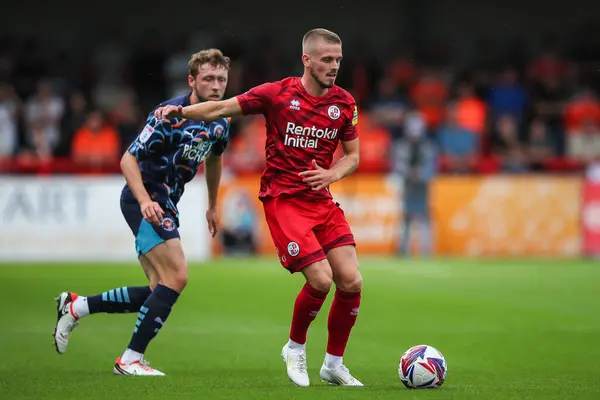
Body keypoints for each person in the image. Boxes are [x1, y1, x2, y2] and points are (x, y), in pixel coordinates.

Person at [155, 28, 363, 387]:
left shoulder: (344, 103)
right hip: (284, 200)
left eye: (338, 60)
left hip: (321, 200)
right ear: (307, 60)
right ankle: (295, 348)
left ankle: (333, 364)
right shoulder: (277, 93)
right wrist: (182, 112)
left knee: (351, 280)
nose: (333, 67)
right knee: (321, 279)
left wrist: (331, 173)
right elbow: (221, 107)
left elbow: (354, 156)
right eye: (327, 60)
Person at [53, 49, 232, 376]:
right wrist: (145, 201)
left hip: (165, 202)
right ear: (192, 81)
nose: (216, 85)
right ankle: (130, 359)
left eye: (221, 79)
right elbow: (127, 159)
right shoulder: (169, 115)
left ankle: (77, 306)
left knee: (157, 290)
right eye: (208, 78)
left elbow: (215, 159)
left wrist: (212, 205)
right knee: (177, 276)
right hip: (145, 199)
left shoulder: (220, 122)